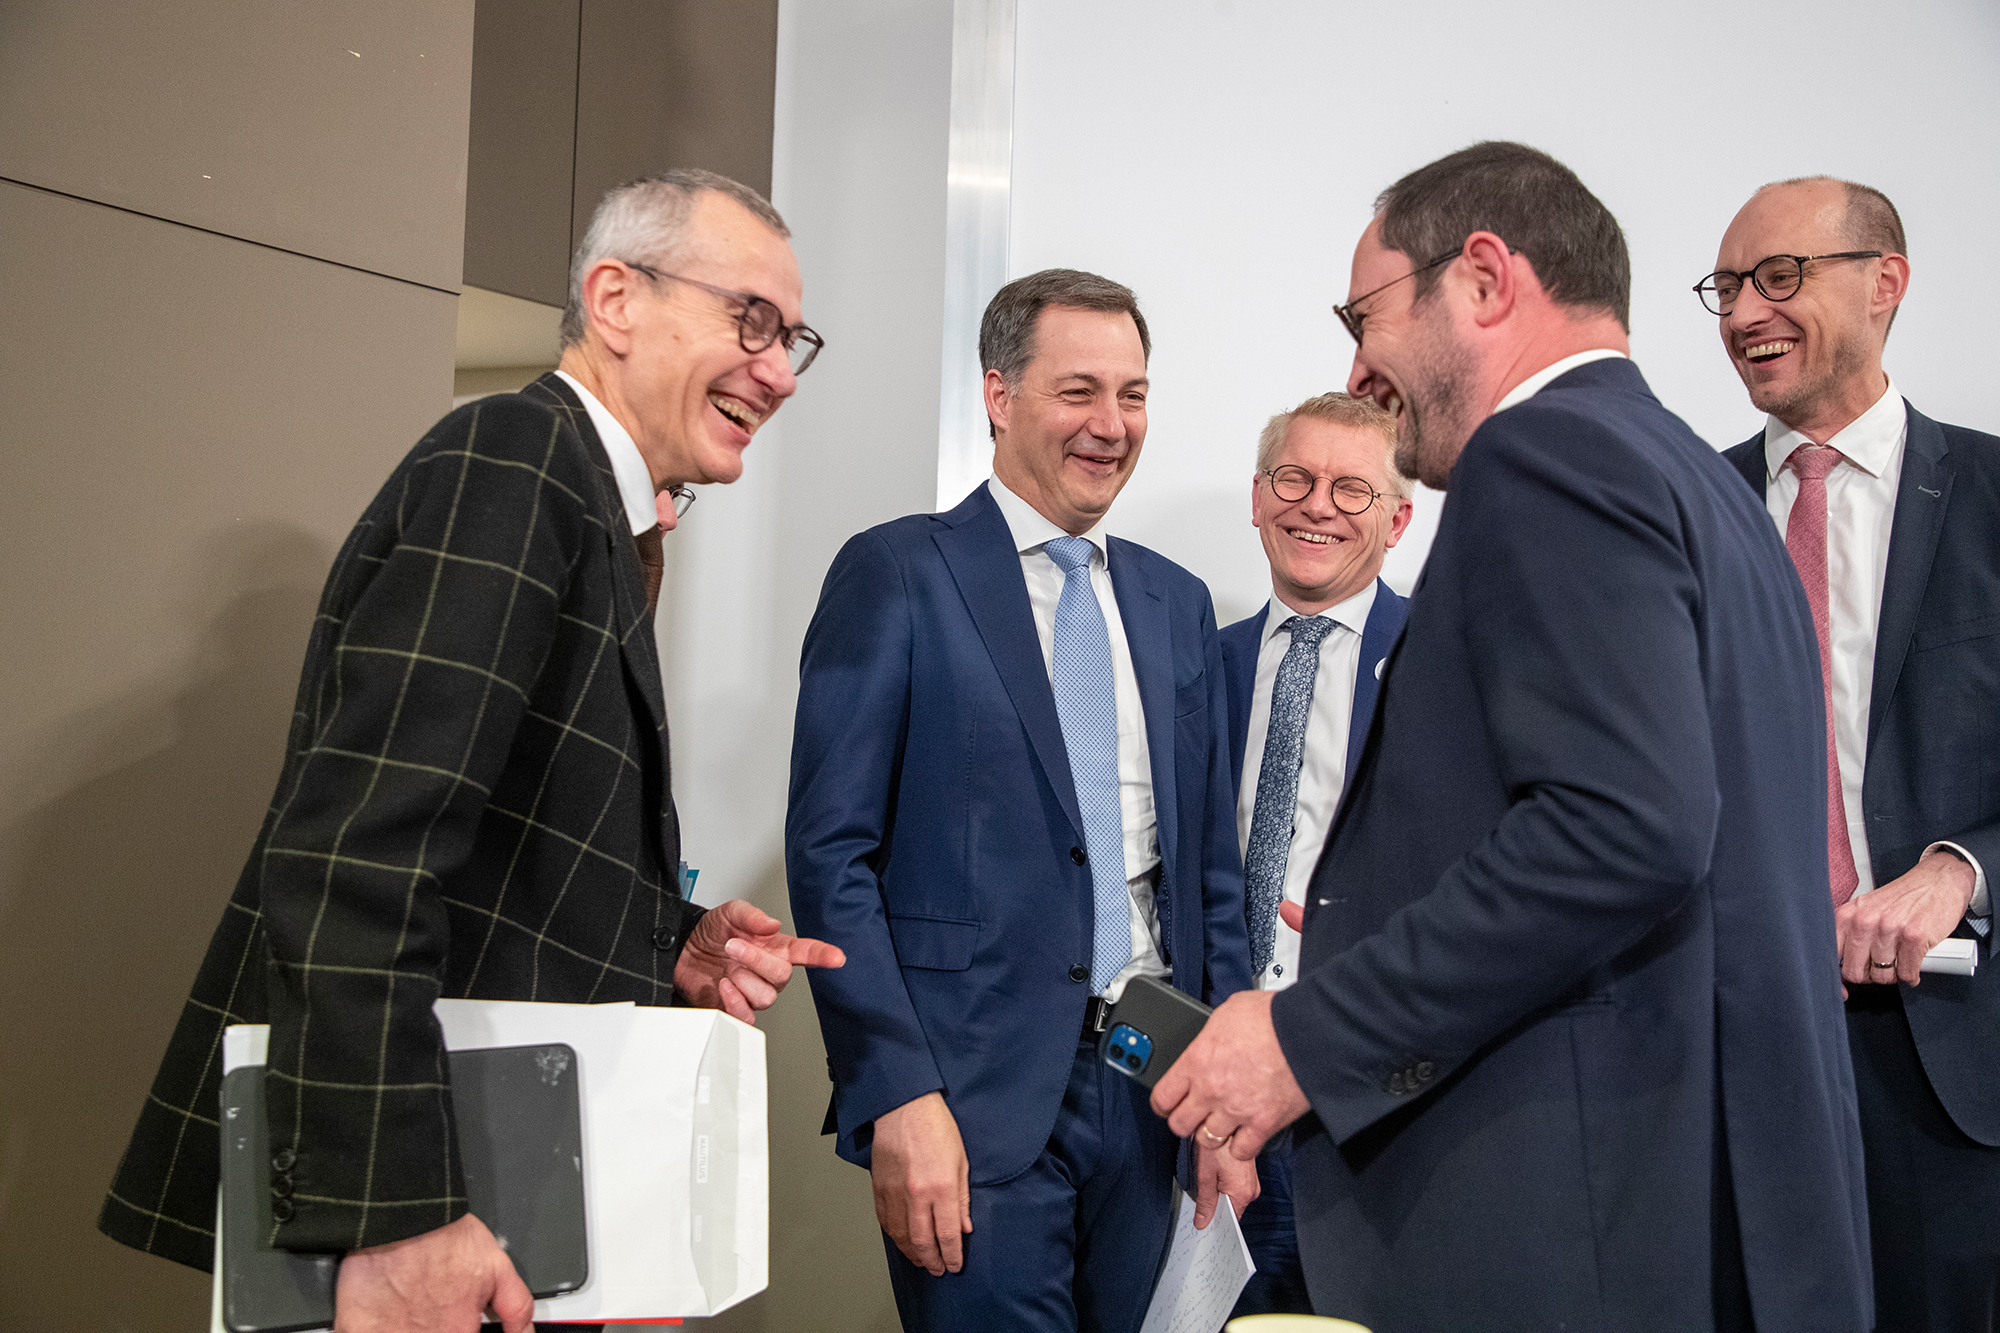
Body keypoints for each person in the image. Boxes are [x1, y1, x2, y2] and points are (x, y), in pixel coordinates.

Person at [99, 169, 843, 1333]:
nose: (780, 370)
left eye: (792, 337)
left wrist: (671, 945)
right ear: (615, 300)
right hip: (419, 1206)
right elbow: (361, 856)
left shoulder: (599, 508)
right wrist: (397, 1214)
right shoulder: (511, 462)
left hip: (503, 1183)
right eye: (749, 319)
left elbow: (509, 847)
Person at [1148, 142, 1874, 1332]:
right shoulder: (1704, 485)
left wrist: (1302, 1035)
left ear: (1482, 278)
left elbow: (1623, 826)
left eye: (1364, 312)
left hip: (1575, 1217)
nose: (1355, 362)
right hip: (1701, 1203)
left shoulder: (1544, 455)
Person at [786, 268, 1253, 1332]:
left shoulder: (1176, 604)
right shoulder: (896, 573)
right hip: (967, 1099)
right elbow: (831, 859)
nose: (1110, 424)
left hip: (1153, 1095)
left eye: (1131, 394)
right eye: (1077, 390)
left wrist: (1223, 1091)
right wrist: (894, 1092)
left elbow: (1207, 878)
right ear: (998, 396)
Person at [1705, 175, 2000, 1331]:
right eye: (1725, 286)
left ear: (1885, 283)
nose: (1741, 313)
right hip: (1726, 1050)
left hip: (1946, 1065)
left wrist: (1959, 869)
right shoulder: (1687, 508)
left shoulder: (1989, 493)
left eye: (1777, 276)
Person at [1218, 392, 1409, 1318]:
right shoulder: (1192, 664)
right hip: (1205, 1095)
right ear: (1257, 497)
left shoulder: (1447, 661)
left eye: (1352, 488)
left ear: (1398, 518)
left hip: (1365, 1109)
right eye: (1294, 478)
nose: (1317, 505)